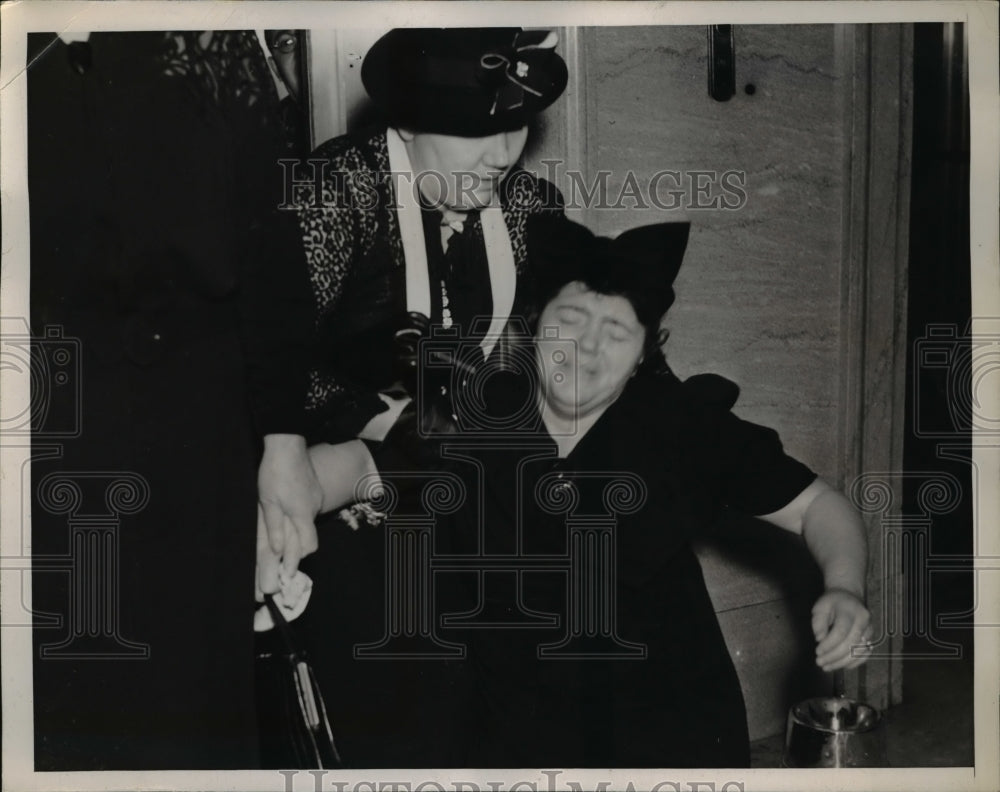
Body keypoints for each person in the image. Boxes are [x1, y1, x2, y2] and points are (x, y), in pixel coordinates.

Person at [301, 215, 873, 768]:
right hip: (516, 735)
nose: (587, 348)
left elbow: (819, 506)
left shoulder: (684, 429)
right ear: (532, 327)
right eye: (570, 320)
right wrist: (282, 507)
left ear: (646, 352)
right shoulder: (478, 416)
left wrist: (845, 588)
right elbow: (356, 465)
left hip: (667, 733)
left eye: (616, 332)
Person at [253, 27, 569, 768]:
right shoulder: (336, 191)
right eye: (475, 132)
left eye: (514, 127)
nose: (502, 153)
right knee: (392, 700)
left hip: (456, 479)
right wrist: (387, 420)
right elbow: (270, 358)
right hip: (340, 479)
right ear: (405, 127)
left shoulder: (531, 206)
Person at [27, 30, 312, 769]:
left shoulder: (209, 44)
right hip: (37, 425)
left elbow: (271, 251)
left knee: (185, 698)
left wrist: (283, 441)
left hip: (195, 424)